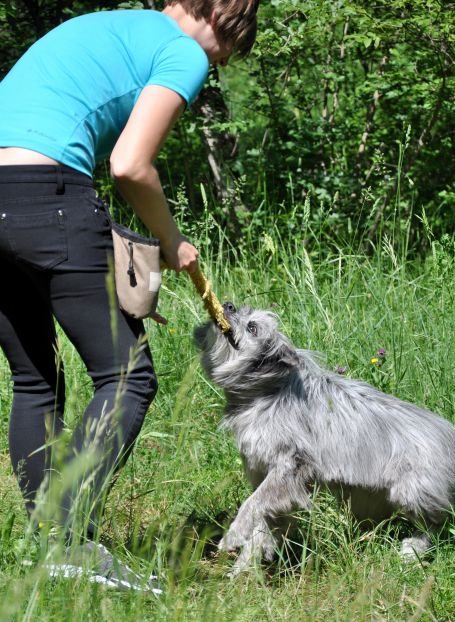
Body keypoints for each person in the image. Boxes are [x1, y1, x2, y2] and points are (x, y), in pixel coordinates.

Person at [0, 0, 258, 590]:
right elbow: (129, 164)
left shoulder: (110, 25)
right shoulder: (184, 50)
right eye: (227, 50)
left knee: (36, 377)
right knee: (127, 376)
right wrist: (172, 239)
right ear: (221, 17)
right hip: (48, 189)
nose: (215, 65)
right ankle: (70, 542)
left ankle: (48, 546)